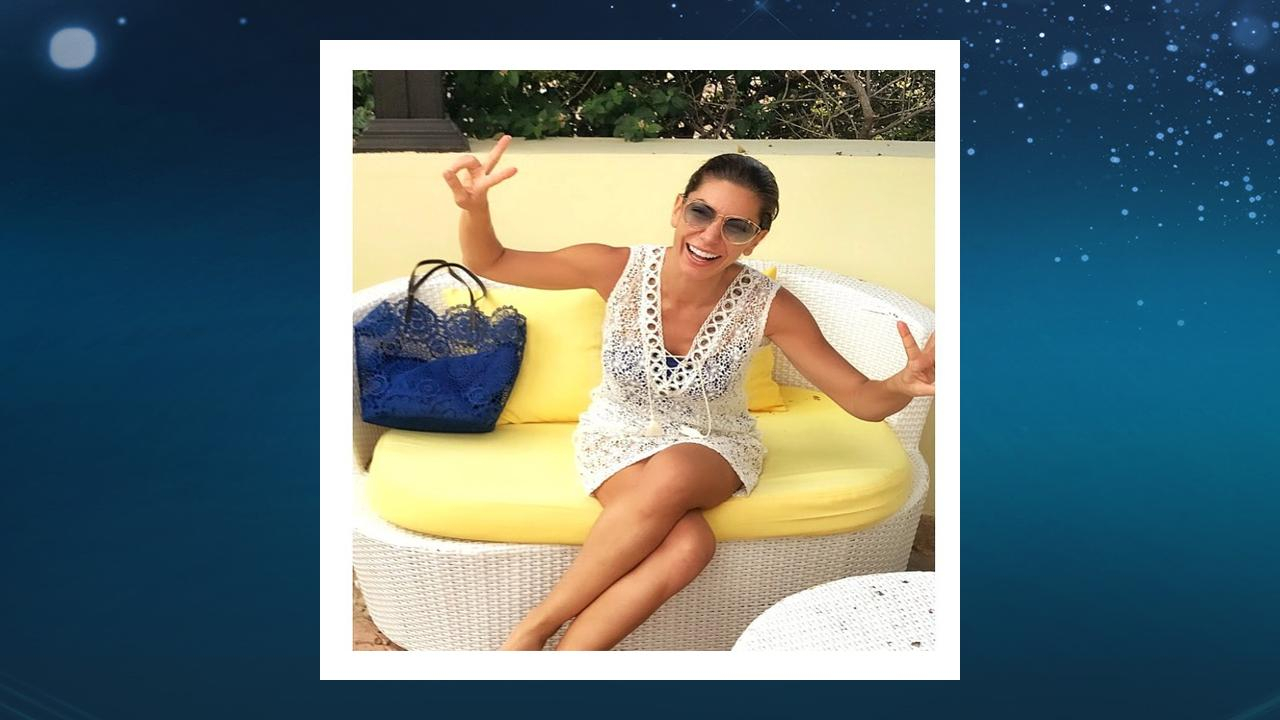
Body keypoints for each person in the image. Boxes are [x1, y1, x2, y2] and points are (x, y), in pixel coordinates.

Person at [442, 135, 936, 651]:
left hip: (714, 444)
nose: (711, 235)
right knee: (689, 546)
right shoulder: (614, 267)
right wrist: (474, 207)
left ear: (755, 239)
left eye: (736, 226)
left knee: (677, 468)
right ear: (678, 209)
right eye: (701, 212)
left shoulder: (770, 306)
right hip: (616, 437)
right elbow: (493, 261)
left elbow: (860, 398)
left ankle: (530, 633)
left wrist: (901, 385)